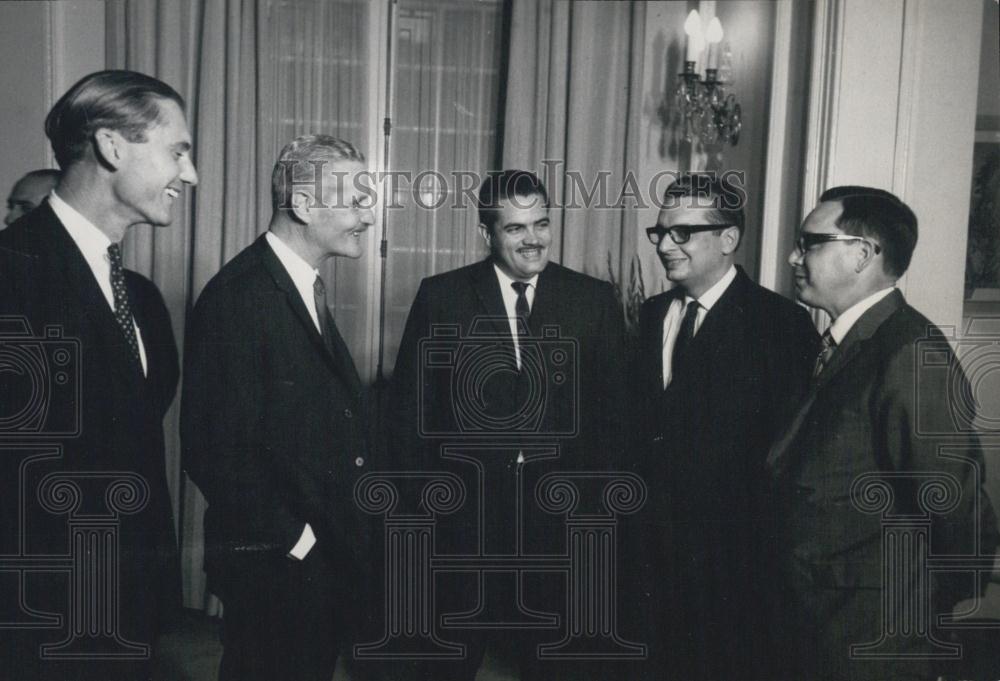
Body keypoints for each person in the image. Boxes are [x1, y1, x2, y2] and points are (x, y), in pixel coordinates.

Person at [389, 169, 627, 680]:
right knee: (448, 659)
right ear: (487, 232)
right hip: (465, 521)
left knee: (555, 663)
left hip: (558, 522)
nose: (533, 239)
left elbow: (613, 419)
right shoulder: (442, 297)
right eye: (516, 228)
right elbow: (409, 416)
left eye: (541, 223)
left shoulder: (592, 300)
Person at [0, 70, 196, 680]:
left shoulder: (141, 298)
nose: (190, 175)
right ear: (112, 146)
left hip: (125, 611)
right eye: (178, 152)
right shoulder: (11, 275)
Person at [768, 186, 998, 680]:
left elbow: (956, 505)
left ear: (862, 254)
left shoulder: (910, 351)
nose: (793, 257)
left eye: (810, 243)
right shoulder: (846, 342)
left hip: (873, 637)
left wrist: (919, 614)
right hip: (824, 622)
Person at [180, 134, 376, 681]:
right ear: (305, 205)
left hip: (312, 565)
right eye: (356, 201)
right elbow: (211, 449)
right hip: (278, 567)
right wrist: (298, 542)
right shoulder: (240, 296)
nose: (368, 217)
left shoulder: (295, 284)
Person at [634, 172, 819, 679]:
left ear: (728, 238)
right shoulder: (652, 314)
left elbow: (790, 458)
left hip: (733, 572)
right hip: (652, 562)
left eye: (682, 233)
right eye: (660, 232)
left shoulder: (781, 325)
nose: (665, 246)